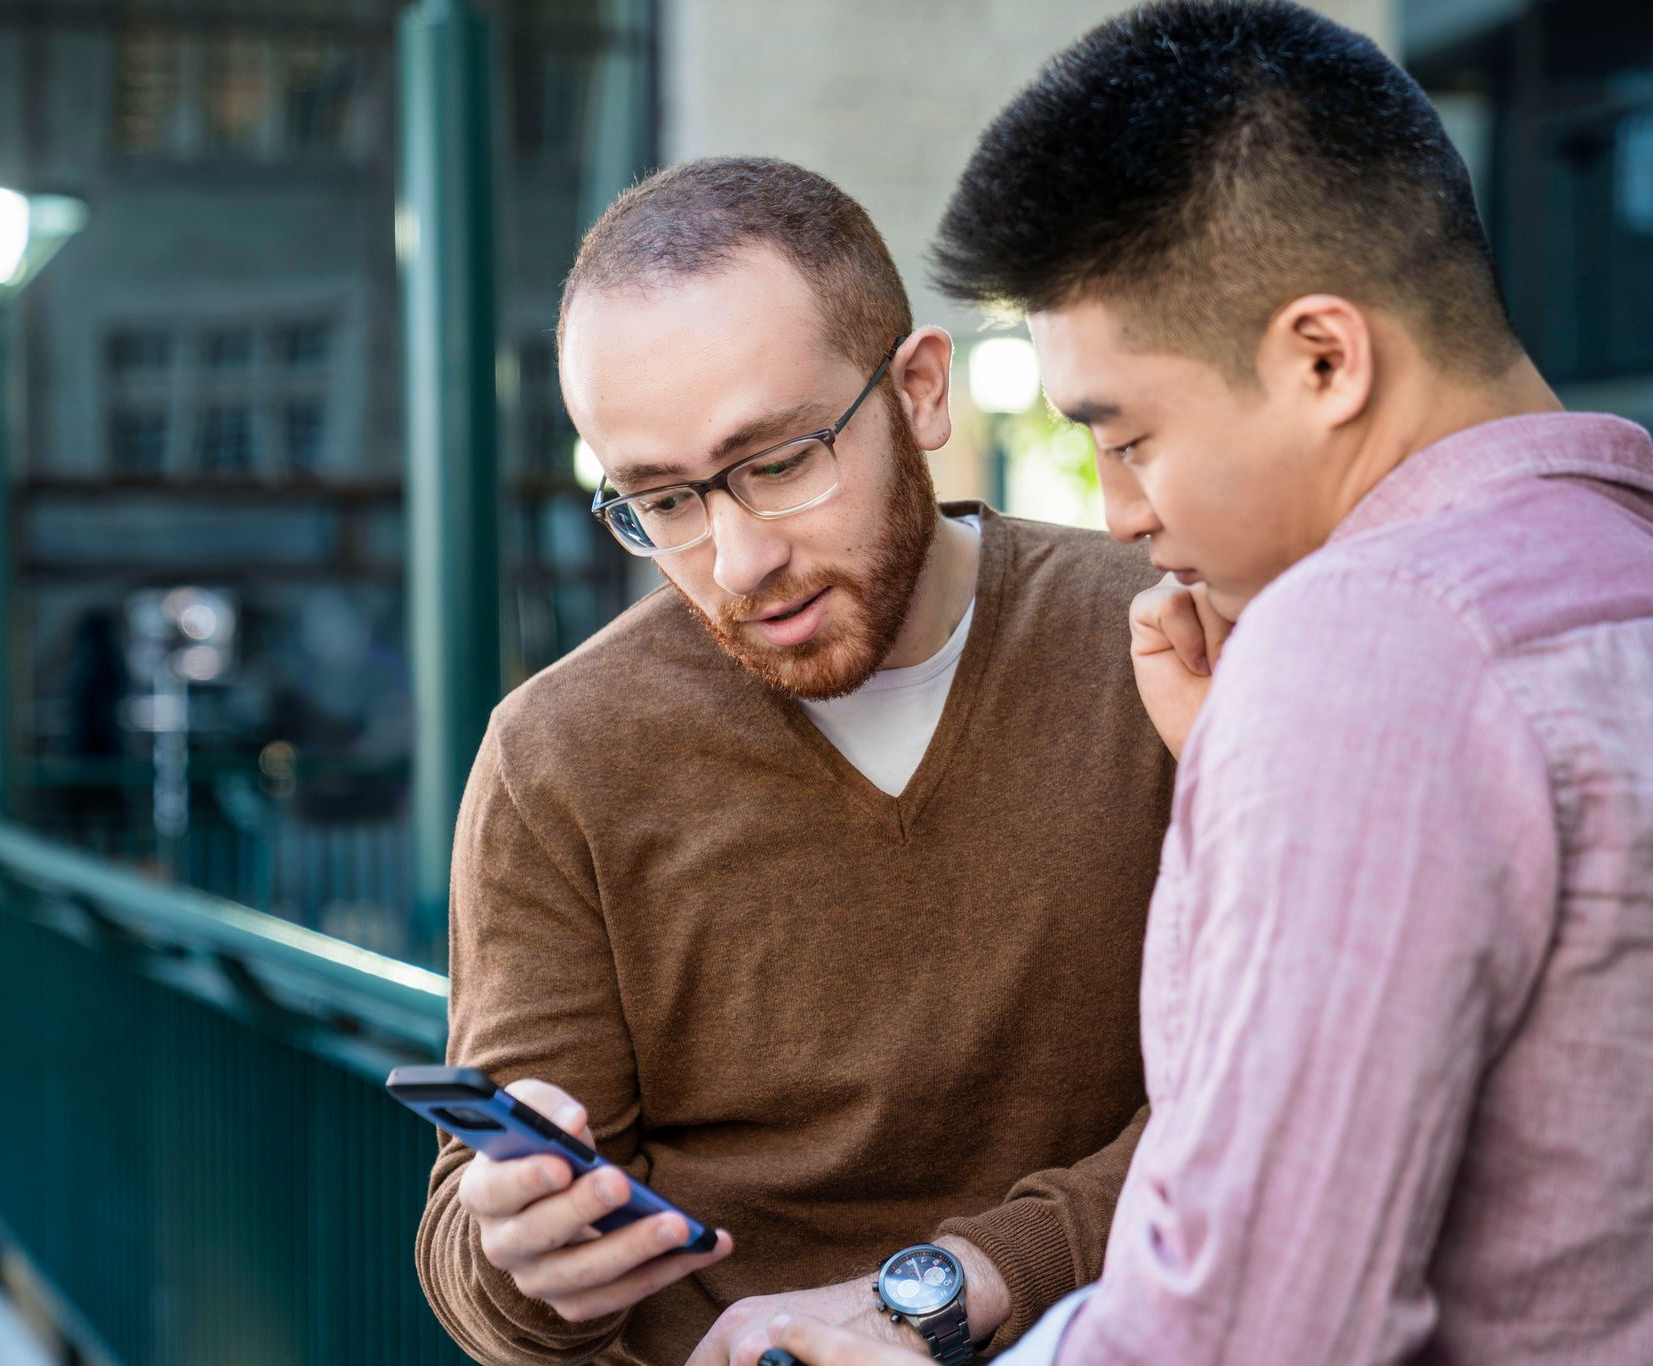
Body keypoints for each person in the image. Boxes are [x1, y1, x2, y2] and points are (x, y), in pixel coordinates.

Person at [765, 4, 1653, 1364]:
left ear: (1325, 359)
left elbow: (1258, 1326)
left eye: (1129, 433)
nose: (1116, 511)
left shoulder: (1370, 650)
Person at [413, 157, 1175, 1366]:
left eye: (776, 462)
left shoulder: (1165, 640)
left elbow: (1283, 1100)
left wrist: (958, 1283)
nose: (734, 560)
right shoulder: (559, 752)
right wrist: (525, 1258)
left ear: (920, 392)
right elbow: (477, 1261)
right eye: (658, 500)